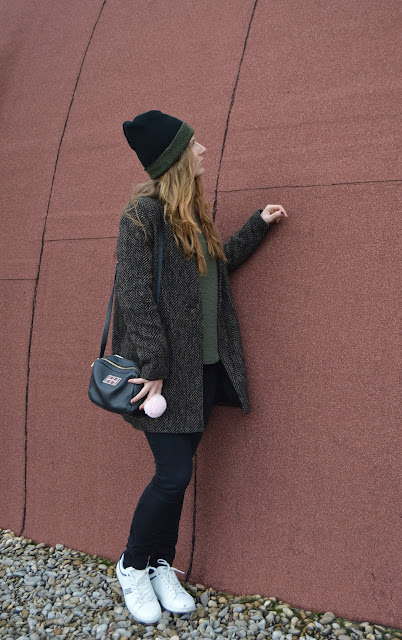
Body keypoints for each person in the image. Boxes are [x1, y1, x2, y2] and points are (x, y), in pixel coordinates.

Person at [112, 110, 288, 624]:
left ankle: (160, 564)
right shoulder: (141, 217)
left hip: (202, 371)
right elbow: (134, 295)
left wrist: (257, 225)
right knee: (173, 475)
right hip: (163, 377)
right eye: (193, 145)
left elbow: (217, 266)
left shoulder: (191, 211)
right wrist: (155, 364)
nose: (203, 150)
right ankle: (132, 564)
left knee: (179, 476)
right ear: (174, 158)